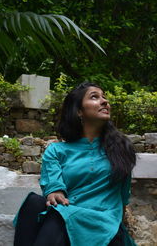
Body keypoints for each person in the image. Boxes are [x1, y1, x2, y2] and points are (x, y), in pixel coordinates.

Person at [13, 82, 137, 246]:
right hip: (67, 214)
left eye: (104, 97)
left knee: (59, 217)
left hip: (103, 222)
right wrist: (55, 191)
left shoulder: (120, 150)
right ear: (79, 111)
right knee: (34, 203)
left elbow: (122, 198)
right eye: (95, 97)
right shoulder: (57, 150)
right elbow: (53, 182)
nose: (104, 101)